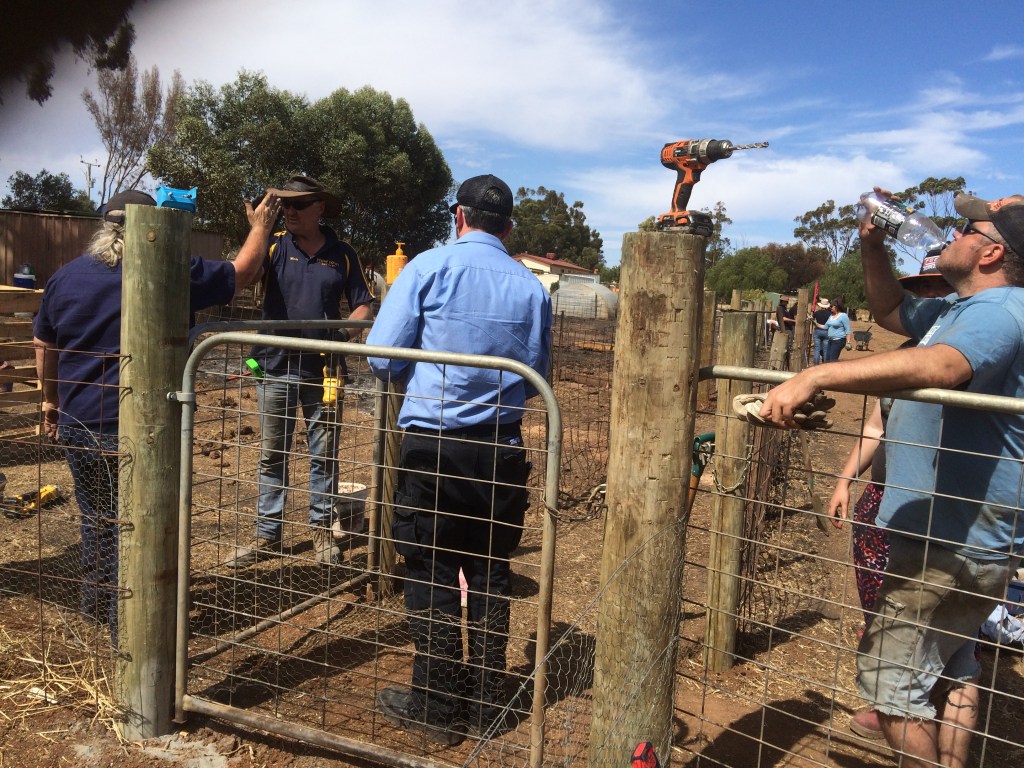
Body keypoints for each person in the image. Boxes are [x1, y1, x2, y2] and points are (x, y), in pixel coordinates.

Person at [759, 188, 1024, 768]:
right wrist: (871, 246)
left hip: (949, 539)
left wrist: (818, 374)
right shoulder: (961, 309)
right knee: (954, 668)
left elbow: (945, 366)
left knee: (890, 686)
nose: (947, 237)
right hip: (957, 532)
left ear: (991, 255)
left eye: (966, 232)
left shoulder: (999, 312)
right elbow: (887, 314)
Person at [33, 189, 278, 639]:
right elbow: (241, 273)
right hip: (141, 428)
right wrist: (260, 227)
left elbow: (44, 343)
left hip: (80, 423)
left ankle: (97, 610)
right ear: (153, 226)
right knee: (142, 525)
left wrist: (50, 401)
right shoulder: (170, 269)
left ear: (103, 229)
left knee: (100, 520)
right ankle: (129, 624)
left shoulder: (65, 277)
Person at [366, 174, 552, 745]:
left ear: (458, 216)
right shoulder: (532, 288)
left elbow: (381, 357)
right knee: (491, 570)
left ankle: (436, 703)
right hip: (501, 450)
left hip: (435, 447)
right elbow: (538, 377)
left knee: (432, 567)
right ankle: (488, 704)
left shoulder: (427, 268)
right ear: (509, 227)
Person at [826, 253, 953, 740]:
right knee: (880, 607)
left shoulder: (971, 357)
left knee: (937, 627)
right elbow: (876, 426)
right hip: (881, 500)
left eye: (940, 286)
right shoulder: (903, 351)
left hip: (934, 509)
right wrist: (844, 480)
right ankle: (898, 707)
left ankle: (912, 711)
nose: (928, 296)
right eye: (921, 287)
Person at [225, 176, 375, 568]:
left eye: (299, 204)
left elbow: (363, 305)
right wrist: (257, 230)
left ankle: (322, 532)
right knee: (272, 454)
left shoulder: (343, 254)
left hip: (324, 373)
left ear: (320, 207)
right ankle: (266, 535)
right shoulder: (273, 246)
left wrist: (342, 335)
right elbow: (245, 275)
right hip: (274, 366)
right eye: (285, 205)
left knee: (324, 455)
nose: (289, 211)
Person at [810, 297, 832, 364]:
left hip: (818, 331)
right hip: (826, 331)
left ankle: (816, 364)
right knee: (825, 350)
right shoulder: (830, 314)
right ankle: (824, 364)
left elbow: (812, 318)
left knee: (817, 349)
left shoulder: (817, 313)